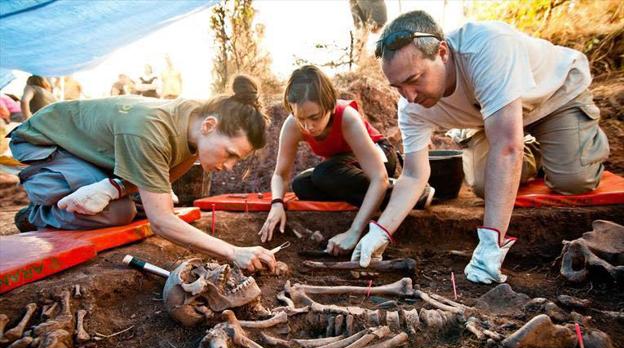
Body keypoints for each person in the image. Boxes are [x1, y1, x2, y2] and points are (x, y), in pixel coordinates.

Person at [351, 10, 610, 284]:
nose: (409, 96)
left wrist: (491, 244)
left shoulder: (487, 47)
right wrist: (380, 232)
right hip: (493, 119)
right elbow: (414, 175)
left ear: (442, 52)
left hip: (553, 98)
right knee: (486, 185)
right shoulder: (410, 106)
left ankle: (579, 140)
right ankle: (528, 147)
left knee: (573, 179)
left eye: (415, 80)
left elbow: (506, 149)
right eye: (398, 86)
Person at [9, 75, 277, 273]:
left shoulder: (194, 127)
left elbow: (154, 183)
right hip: (48, 140)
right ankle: (37, 214)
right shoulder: (151, 129)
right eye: (230, 153)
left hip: (97, 154)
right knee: (118, 213)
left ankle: (84, 191)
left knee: (137, 204)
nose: (229, 165)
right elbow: (161, 222)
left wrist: (113, 188)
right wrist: (233, 252)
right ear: (209, 125)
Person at [258, 65, 433, 256]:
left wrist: (354, 231)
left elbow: (378, 176)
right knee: (301, 185)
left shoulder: (347, 117)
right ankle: (385, 194)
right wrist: (277, 204)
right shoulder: (293, 125)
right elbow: (280, 174)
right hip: (342, 165)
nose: (308, 126)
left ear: (330, 106)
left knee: (325, 174)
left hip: (378, 156)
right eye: (301, 118)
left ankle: (408, 191)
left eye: (315, 117)